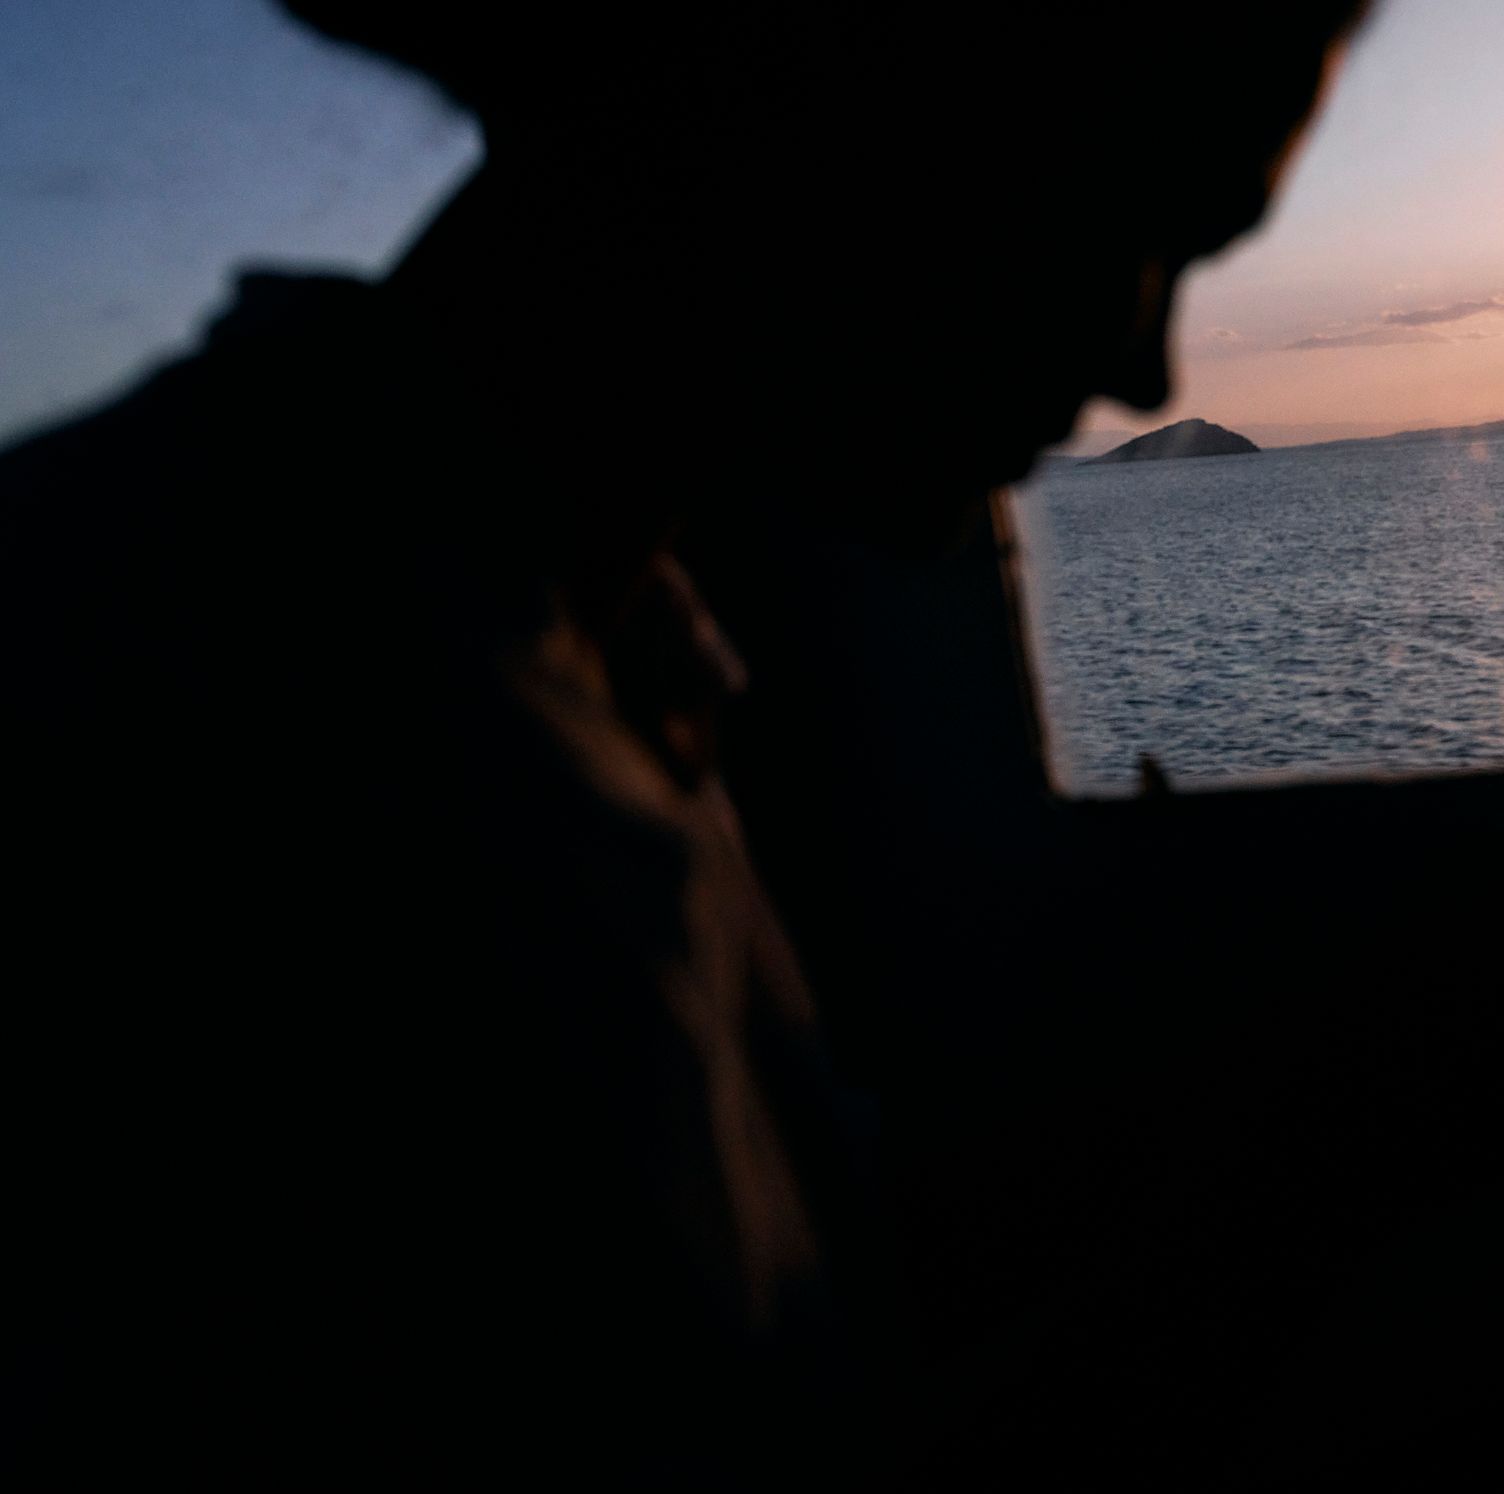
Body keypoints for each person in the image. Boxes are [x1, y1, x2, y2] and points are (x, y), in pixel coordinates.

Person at [2, 1, 1371, 1483]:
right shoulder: (308, 770)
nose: (1148, 369)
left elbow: (793, 1276)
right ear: (853, 115)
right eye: (1136, 222)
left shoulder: (597, 637)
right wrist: (1319, 1188)